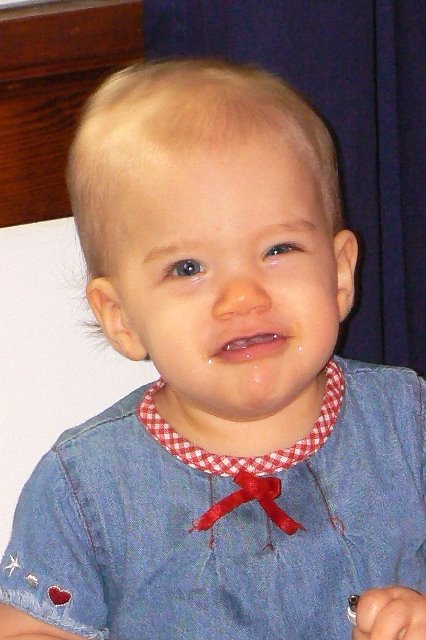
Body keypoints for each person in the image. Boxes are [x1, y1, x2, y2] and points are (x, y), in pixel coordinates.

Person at [0, 59, 425, 640]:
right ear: (122, 318)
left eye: (278, 249)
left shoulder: (407, 424)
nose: (243, 296)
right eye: (188, 268)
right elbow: (28, 627)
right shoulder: (88, 486)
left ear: (339, 273)